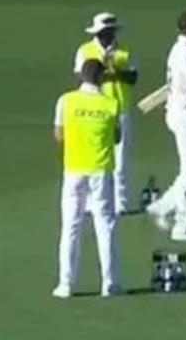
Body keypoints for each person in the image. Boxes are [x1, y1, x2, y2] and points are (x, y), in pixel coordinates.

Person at [53, 59, 121, 298]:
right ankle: (110, 283)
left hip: (73, 168)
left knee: (70, 226)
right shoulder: (111, 104)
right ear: (101, 77)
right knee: (105, 226)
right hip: (100, 169)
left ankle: (66, 284)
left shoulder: (66, 100)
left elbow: (59, 135)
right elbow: (117, 137)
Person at [146, 11, 186, 242]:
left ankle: (163, 207)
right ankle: (183, 226)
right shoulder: (184, 52)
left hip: (183, 112)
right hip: (184, 114)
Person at [73, 12, 138, 215]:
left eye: (109, 32)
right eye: (103, 33)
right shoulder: (85, 50)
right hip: (93, 109)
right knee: (94, 155)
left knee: (121, 157)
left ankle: (121, 201)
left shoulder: (124, 51)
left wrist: (114, 71)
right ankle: (93, 201)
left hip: (119, 107)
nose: (106, 36)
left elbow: (133, 76)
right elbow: (81, 76)